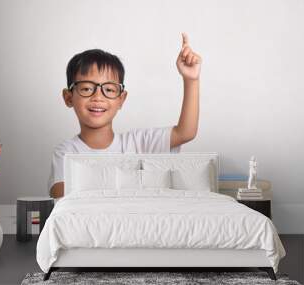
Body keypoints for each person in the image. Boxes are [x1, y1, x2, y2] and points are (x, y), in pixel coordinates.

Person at [49, 33, 202, 198]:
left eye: (108, 89)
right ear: (68, 97)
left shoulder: (139, 144)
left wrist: (191, 80)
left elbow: (186, 132)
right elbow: (59, 194)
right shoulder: (67, 152)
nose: (98, 97)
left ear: (121, 99)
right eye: (86, 88)